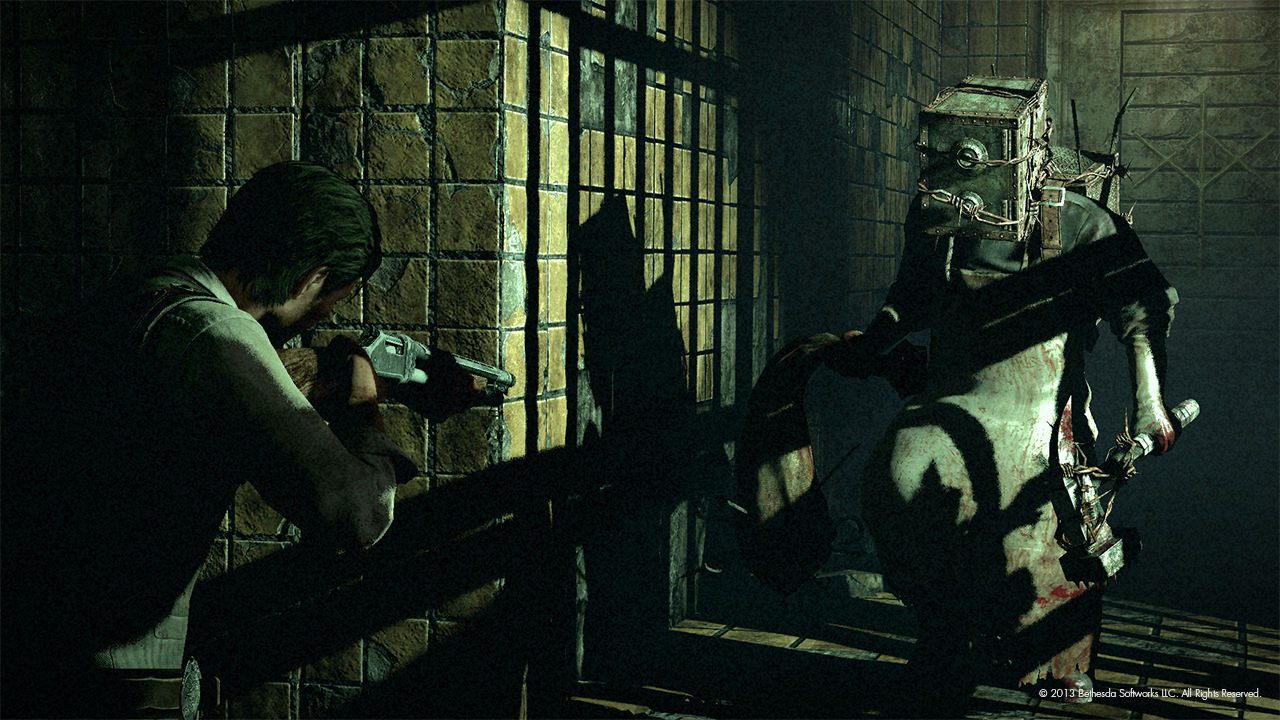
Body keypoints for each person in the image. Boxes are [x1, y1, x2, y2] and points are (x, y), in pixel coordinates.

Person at [0, 161, 463, 716]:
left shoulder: (148, 293)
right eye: (332, 299)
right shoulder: (218, 332)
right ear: (310, 278)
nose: (322, 315)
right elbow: (356, 515)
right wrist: (363, 390)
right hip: (106, 674)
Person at [822, 86, 1181, 713]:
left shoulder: (1083, 223)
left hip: (1041, 410)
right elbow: (911, 295)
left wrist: (1150, 402)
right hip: (951, 395)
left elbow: (1141, 311)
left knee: (1047, 527)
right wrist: (876, 338)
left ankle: (1057, 657)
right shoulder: (937, 215)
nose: (963, 177)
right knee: (900, 486)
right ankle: (945, 636)